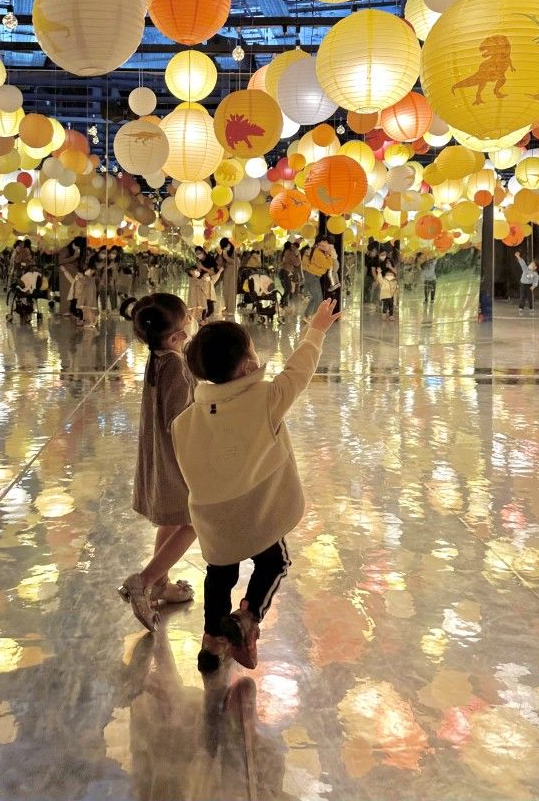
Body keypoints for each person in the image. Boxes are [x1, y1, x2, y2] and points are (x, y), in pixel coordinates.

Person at [173, 298, 341, 673]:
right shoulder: (266, 400)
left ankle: (210, 645)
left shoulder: (184, 421)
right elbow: (299, 370)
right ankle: (247, 618)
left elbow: (188, 467)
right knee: (275, 562)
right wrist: (317, 329)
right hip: (259, 512)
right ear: (248, 365)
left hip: (213, 519)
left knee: (219, 575)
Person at [118, 294, 196, 631]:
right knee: (195, 521)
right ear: (178, 336)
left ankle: (162, 583)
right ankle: (144, 580)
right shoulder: (177, 366)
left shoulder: (159, 357)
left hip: (157, 455)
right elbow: (180, 420)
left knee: (170, 518)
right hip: (175, 459)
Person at [302, 238, 335, 318]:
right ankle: (316, 317)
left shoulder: (319, 252)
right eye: (324, 242)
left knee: (315, 297)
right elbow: (327, 265)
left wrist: (328, 255)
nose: (326, 245)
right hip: (313, 276)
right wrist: (329, 255)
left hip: (312, 276)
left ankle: (307, 315)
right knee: (318, 298)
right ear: (320, 243)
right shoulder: (318, 252)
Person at [194, 246, 219, 318]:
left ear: (203, 251)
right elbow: (199, 273)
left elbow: (213, 272)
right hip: (203, 280)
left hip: (211, 279)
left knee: (207, 294)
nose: (198, 255)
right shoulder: (200, 261)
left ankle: (208, 311)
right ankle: (206, 312)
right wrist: (198, 269)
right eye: (197, 254)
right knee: (204, 295)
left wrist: (202, 267)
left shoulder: (210, 259)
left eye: (199, 253)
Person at [73, 264, 99, 328]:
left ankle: (90, 322)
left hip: (87, 295)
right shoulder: (92, 278)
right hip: (88, 295)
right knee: (88, 309)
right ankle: (92, 321)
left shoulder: (88, 278)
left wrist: (78, 279)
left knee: (87, 309)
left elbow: (83, 283)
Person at [218, 238, 238, 317]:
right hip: (227, 273)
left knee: (231, 291)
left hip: (232, 273)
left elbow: (235, 262)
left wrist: (226, 257)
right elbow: (221, 262)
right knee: (226, 291)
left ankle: (231, 310)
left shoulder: (233, 251)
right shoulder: (225, 251)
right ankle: (227, 308)